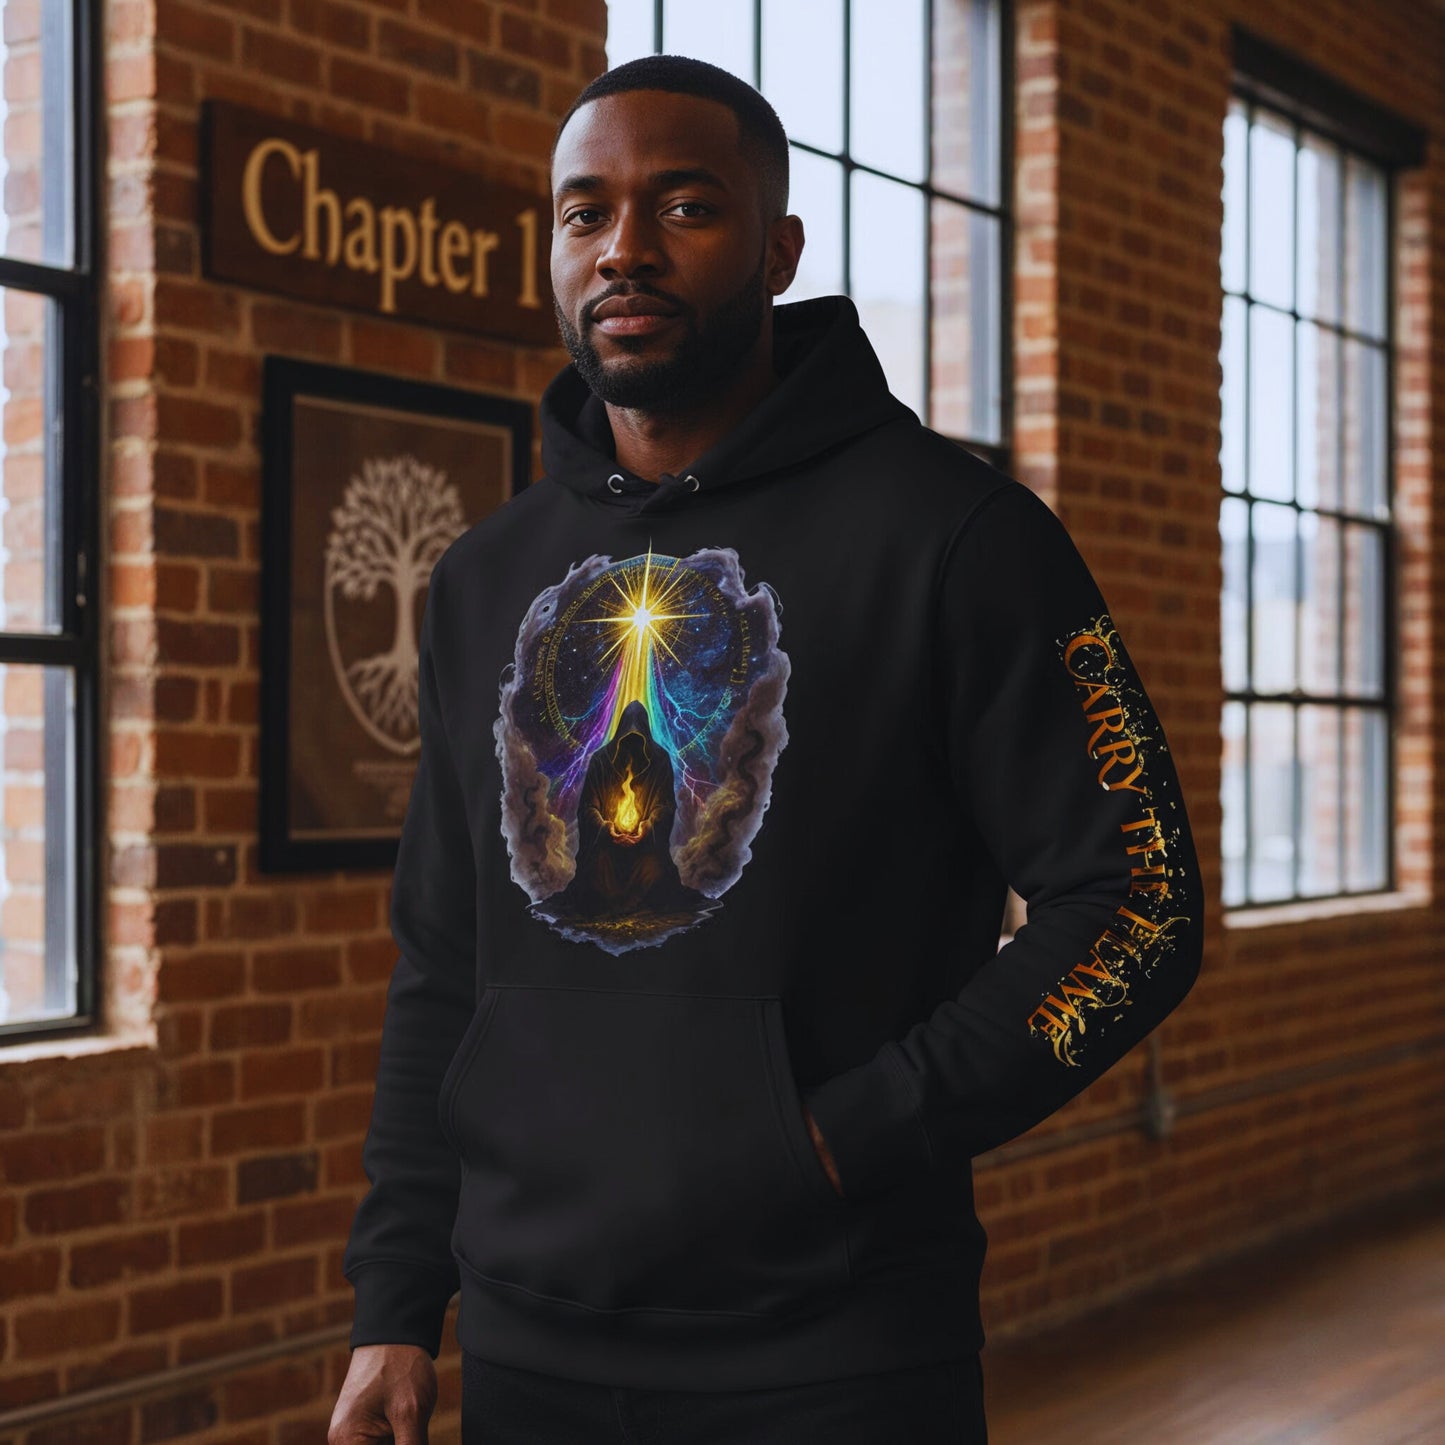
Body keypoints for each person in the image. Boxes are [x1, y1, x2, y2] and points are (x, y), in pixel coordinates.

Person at [328, 53, 1205, 1445]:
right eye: (582, 213)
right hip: (521, 1345)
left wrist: (841, 1135)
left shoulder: (960, 541)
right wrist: (394, 1295)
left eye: (683, 206)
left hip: (832, 1350)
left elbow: (1140, 905)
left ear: (777, 246)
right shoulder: (484, 578)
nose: (623, 247)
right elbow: (445, 964)